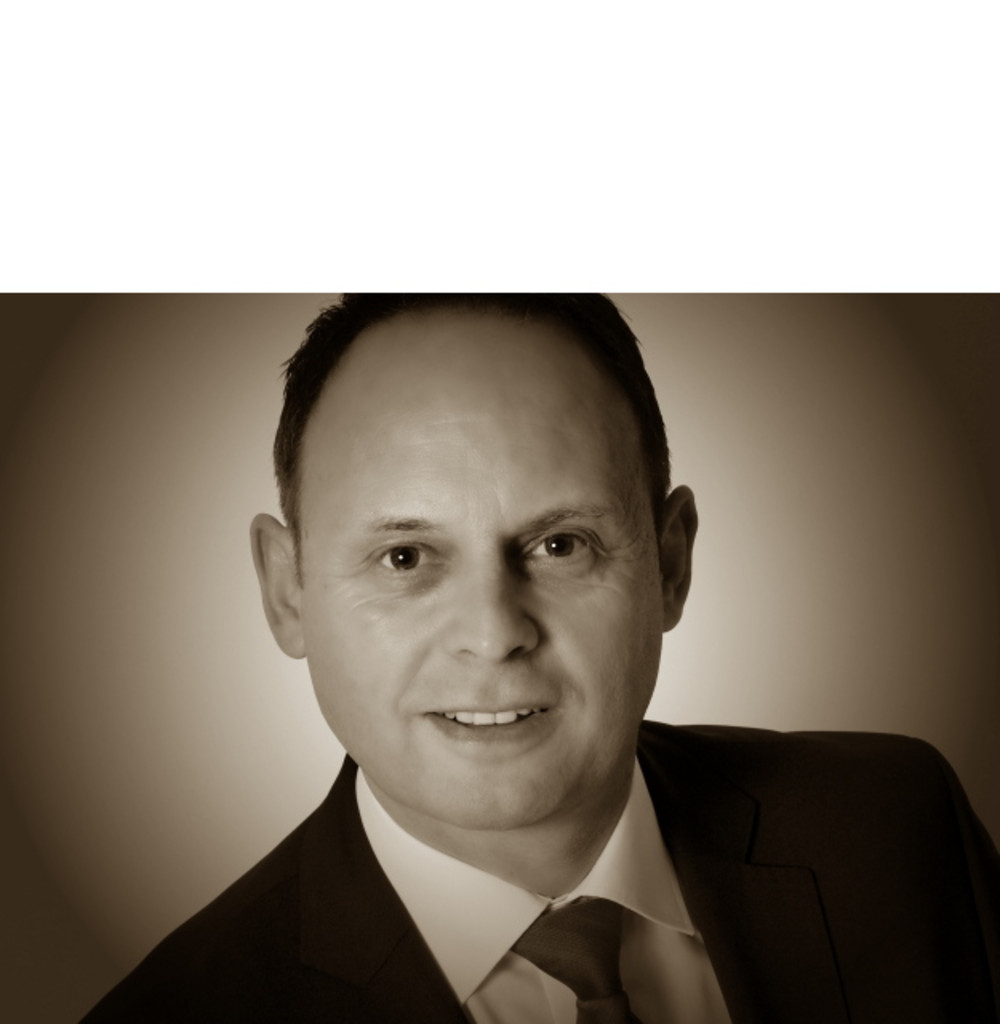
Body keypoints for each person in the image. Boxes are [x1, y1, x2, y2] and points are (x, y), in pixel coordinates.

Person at [82, 294, 1000, 1023]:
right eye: (405, 558)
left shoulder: (901, 832)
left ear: (671, 565)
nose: (494, 633)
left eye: (561, 545)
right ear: (289, 592)